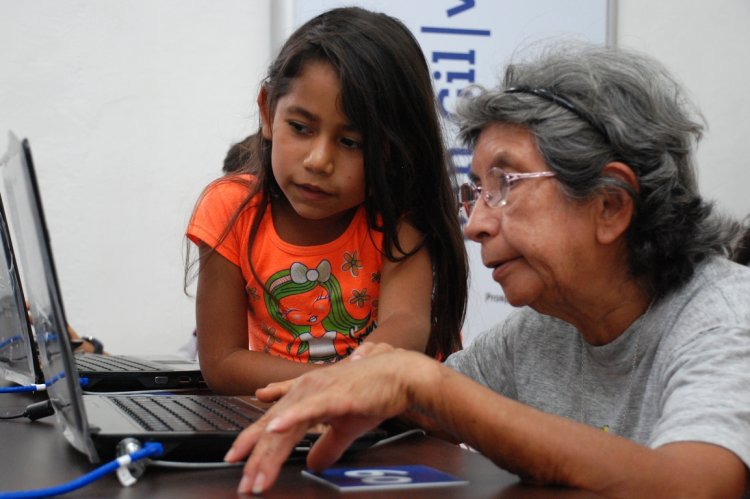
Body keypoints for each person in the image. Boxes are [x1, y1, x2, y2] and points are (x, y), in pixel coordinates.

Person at [224, 41, 750, 496]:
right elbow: (427, 403)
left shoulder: (726, 318)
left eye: (506, 184)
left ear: (610, 205)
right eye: (475, 190)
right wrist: (366, 386)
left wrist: (423, 383)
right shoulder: (542, 331)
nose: (474, 225)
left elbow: (697, 485)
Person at [185, 7, 467, 394]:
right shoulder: (229, 210)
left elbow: (405, 325)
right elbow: (222, 363)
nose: (319, 161)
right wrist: (328, 385)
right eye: (300, 128)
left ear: (396, 149)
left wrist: (334, 387)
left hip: (395, 418)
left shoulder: (399, 217)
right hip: (291, 416)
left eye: (351, 142)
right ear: (267, 111)